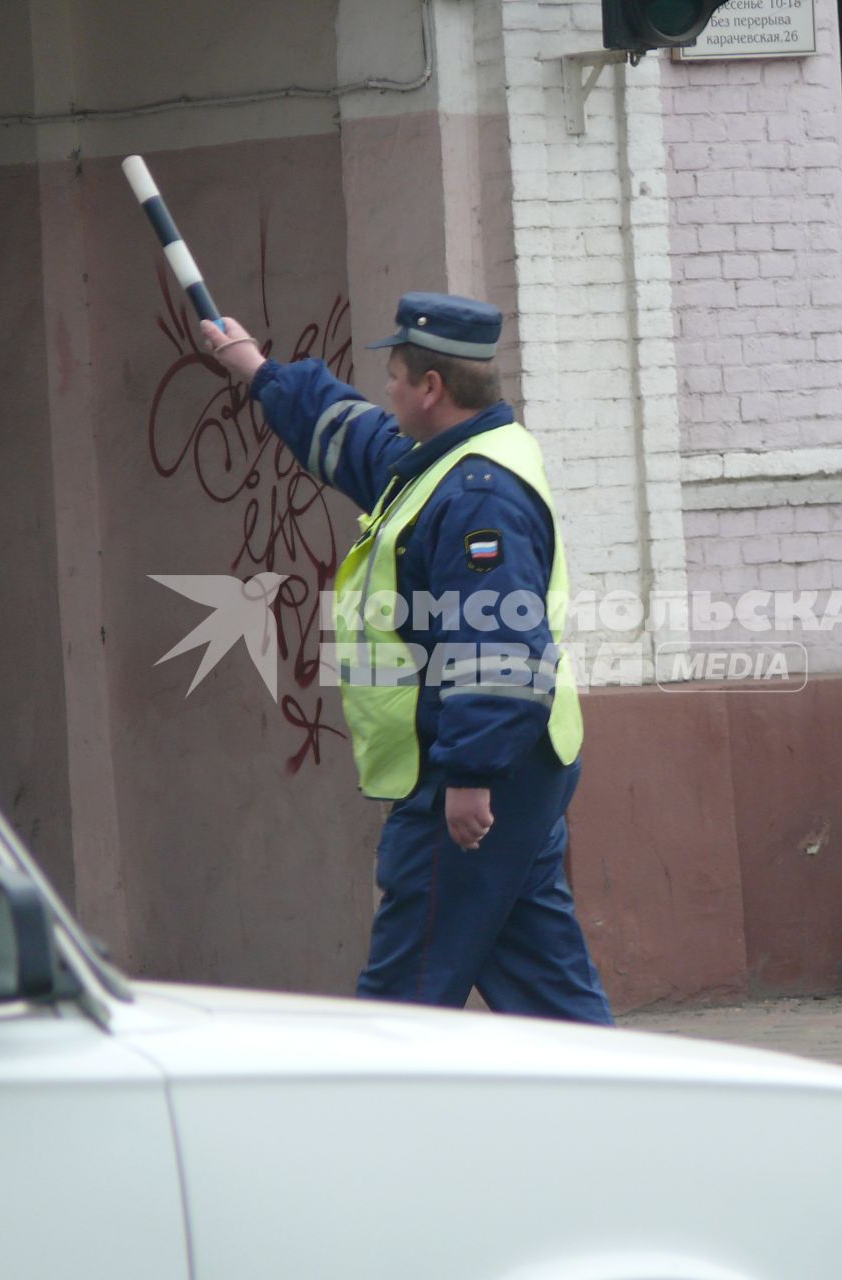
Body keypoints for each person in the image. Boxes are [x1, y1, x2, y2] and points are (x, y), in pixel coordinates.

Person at [199, 293, 613, 1025]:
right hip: (512, 769)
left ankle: (374, 1127)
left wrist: (471, 777)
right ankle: (625, 1120)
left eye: (394, 377)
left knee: (404, 1000)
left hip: (472, 780)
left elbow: (497, 644)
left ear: (430, 388)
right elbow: (355, 439)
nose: (384, 392)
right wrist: (260, 372)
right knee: (549, 995)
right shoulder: (447, 463)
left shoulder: (477, 496)